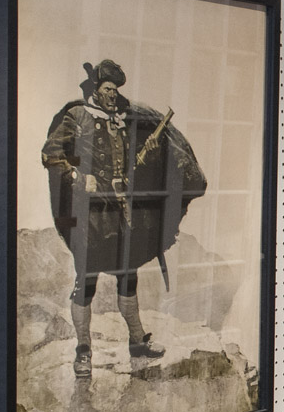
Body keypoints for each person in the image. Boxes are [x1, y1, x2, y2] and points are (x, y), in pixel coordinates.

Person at [41, 60, 206, 376]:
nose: (113, 95)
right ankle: (83, 351)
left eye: (115, 90)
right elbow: (51, 155)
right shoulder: (76, 117)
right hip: (90, 218)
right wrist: (79, 178)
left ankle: (136, 344)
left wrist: (148, 156)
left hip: (120, 214)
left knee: (129, 277)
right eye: (107, 89)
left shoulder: (120, 123)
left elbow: (132, 167)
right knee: (86, 283)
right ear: (95, 90)